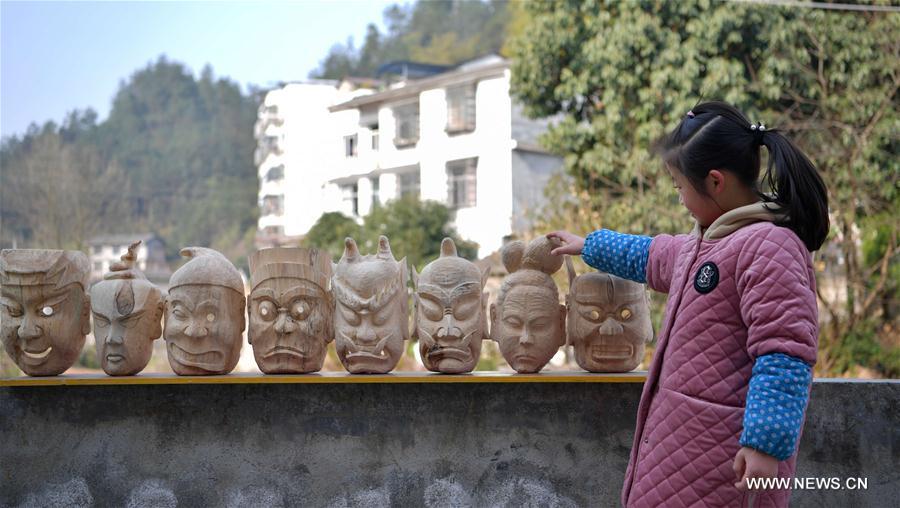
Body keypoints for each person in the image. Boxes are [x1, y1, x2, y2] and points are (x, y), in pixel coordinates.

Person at [547, 101, 828, 507]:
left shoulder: (770, 248)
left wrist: (765, 446)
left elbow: (783, 353)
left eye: (680, 187)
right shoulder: (708, 242)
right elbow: (650, 255)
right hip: (681, 447)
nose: (679, 199)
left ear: (715, 182)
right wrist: (588, 244)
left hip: (729, 460)